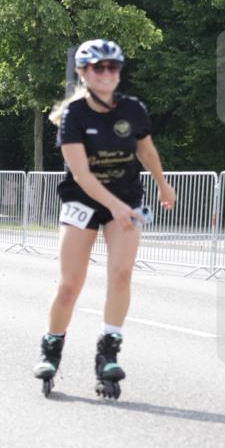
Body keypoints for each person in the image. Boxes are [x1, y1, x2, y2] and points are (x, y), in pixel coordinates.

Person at [33, 39, 176, 399]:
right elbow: (81, 174)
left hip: (127, 200)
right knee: (70, 284)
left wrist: (162, 184)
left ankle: (108, 353)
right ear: (83, 73)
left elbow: (145, 149)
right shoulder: (74, 115)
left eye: (113, 67)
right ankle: (51, 350)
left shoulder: (133, 109)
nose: (107, 74)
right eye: (98, 68)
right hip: (83, 200)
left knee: (122, 273)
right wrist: (112, 205)